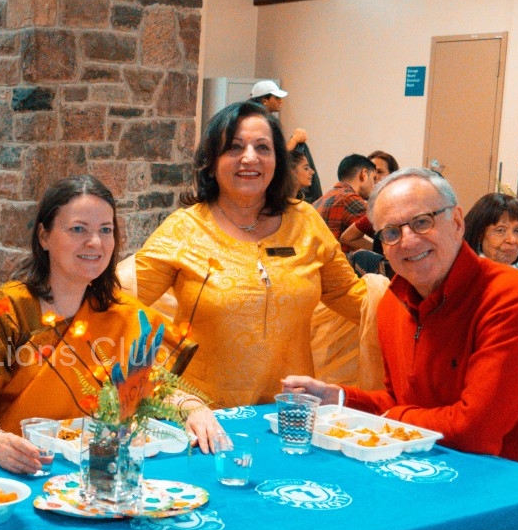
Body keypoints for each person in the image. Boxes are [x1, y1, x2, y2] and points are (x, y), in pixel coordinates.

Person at [282, 169, 518, 496]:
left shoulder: (513, 298)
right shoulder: (393, 304)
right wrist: (339, 399)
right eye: (391, 232)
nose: (408, 241)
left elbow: (475, 431)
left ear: (456, 222)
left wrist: (392, 416)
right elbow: (399, 402)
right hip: (438, 473)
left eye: (421, 222)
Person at [0, 176, 225, 476]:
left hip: (92, 467)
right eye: (78, 229)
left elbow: (153, 388)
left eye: (105, 230)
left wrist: (192, 406)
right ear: (44, 236)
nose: (95, 242)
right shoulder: (8, 309)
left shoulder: (124, 313)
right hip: (9, 465)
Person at [134, 100, 365, 409]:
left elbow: (349, 295)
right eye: (234, 147)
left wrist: (417, 312)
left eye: (263, 147)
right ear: (211, 161)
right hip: (203, 416)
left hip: (289, 414)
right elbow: (121, 303)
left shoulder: (305, 221)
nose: (250, 158)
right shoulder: (184, 229)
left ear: (278, 161)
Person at [251, 79, 319, 203]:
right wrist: (295, 139)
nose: (280, 101)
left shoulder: (262, 120)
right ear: (265, 101)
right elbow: (274, 155)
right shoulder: (259, 122)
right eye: (276, 98)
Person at [316, 154, 378, 251]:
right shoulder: (349, 199)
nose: (375, 185)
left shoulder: (318, 201)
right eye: (374, 179)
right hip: (338, 260)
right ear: (364, 174)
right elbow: (383, 233)